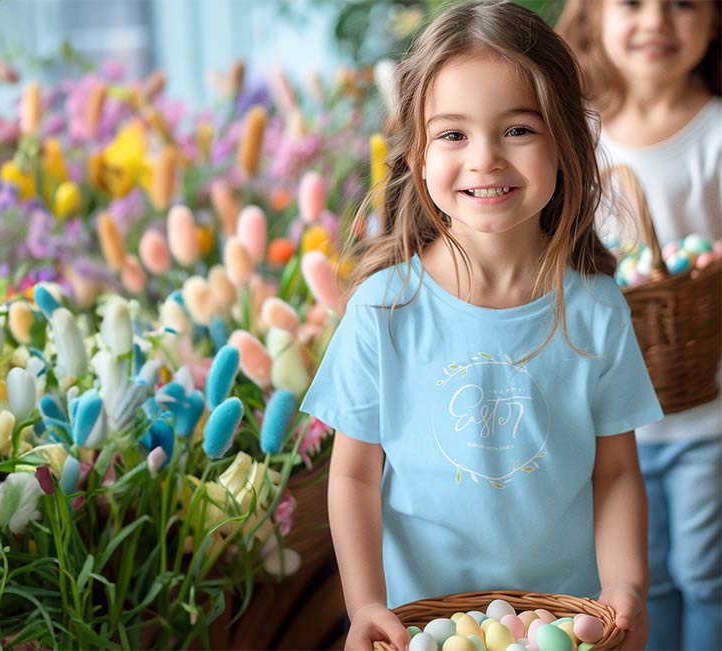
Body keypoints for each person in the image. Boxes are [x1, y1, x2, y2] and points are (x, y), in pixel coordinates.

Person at [299, 2, 664, 650]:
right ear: (415, 153)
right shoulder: (383, 309)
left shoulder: (595, 310)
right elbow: (353, 473)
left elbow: (615, 472)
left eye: (518, 130)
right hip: (423, 628)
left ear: (564, 141)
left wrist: (626, 587)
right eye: (453, 134)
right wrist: (365, 603)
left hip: (564, 623)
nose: (486, 159)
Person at [558, 1, 722, 649]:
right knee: (637, 580)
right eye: (631, 3)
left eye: (682, 3)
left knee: (707, 573)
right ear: (593, 16)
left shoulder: (713, 132)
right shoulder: (581, 136)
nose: (656, 20)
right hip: (615, 421)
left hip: (705, 412)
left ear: (713, 22)